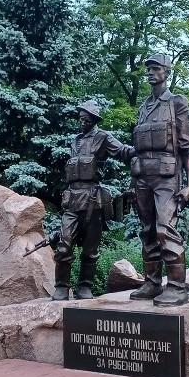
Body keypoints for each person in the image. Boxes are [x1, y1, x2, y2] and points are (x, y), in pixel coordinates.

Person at [129, 53, 189, 307]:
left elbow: (187, 147)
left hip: (168, 176)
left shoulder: (177, 102)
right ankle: (152, 282)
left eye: (156, 68)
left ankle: (177, 286)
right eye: (148, 69)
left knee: (164, 228)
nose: (150, 72)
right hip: (142, 176)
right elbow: (138, 147)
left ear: (167, 72)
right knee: (147, 231)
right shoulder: (144, 107)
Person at [52, 99, 134, 301]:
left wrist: (144, 145)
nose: (82, 122)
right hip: (72, 199)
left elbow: (124, 152)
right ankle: (62, 287)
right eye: (80, 119)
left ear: (94, 119)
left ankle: (85, 288)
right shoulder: (76, 140)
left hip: (93, 200)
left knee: (90, 249)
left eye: (86, 119)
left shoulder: (103, 137)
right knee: (64, 245)